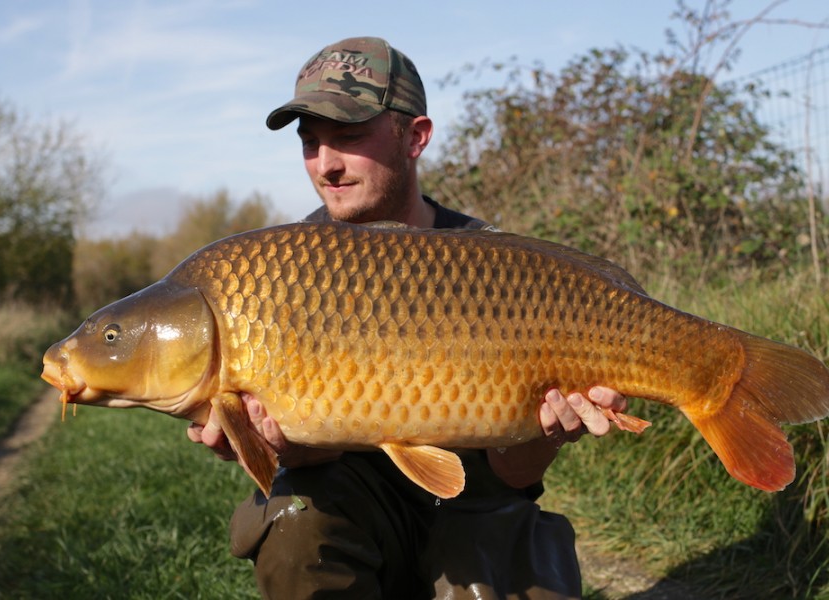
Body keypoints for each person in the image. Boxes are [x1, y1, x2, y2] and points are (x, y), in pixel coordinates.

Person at [187, 36, 628, 599]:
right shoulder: (286, 270)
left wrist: (549, 432)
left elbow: (516, 475)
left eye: (348, 137)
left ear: (415, 137)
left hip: (477, 504)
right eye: (310, 142)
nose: (326, 165)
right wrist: (279, 444)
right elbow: (313, 447)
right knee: (295, 527)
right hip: (356, 505)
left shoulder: (494, 261)